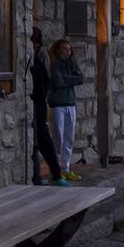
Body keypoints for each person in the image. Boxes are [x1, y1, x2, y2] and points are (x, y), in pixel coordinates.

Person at [28, 27, 68, 186]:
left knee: (43, 139)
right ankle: (37, 176)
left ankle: (56, 174)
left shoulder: (40, 57)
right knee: (35, 141)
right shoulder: (31, 57)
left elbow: (46, 81)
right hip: (33, 102)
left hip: (38, 103)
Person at [48, 39, 84, 182]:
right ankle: (57, 170)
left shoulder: (72, 64)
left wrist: (65, 80)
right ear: (58, 50)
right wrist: (70, 80)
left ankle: (66, 167)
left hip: (70, 104)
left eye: (69, 49)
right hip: (57, 105)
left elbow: (80, 79)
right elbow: (56, 81)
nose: (68, 52)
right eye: (64, 49)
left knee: (69, 138)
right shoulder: (54, 64)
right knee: (58, 138)